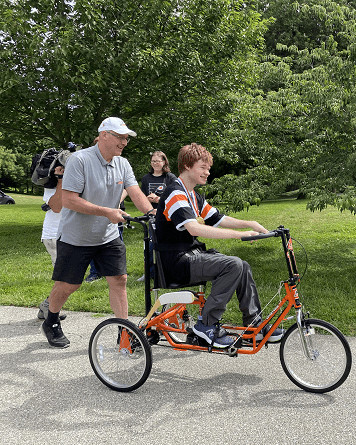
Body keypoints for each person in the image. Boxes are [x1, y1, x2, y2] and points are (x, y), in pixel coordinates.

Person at [155, 143, 284, 348]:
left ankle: (253, 324)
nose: (208, 172)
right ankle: (206, 325)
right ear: (188, 166)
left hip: (190, 257)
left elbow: (217, 218)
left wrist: (249, 224)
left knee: (242, 265)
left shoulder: (193, 195)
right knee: (233, 265)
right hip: (176, 263)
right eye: (203, 167)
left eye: (208, 168)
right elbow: (194, 229)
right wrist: (239, 235)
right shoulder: (175, 193)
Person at [41, 117, 155, 348]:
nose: (124, 142)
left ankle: (124, 332)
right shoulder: (80, 160)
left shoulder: (122, 163)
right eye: (120, 137)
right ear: (104, 135)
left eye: (126, 138)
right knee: (69, 285)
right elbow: (69, 201)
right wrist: (106, 212)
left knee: (119, 279)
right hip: (76, 238)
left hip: (108, 236)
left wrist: (153, 214)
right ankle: (51, 319)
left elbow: (134, 192)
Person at [137, 151, 176, 281]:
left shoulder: (170, 178)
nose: (155, 164)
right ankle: (149, 273)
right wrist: (147, 199)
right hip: (151, 216)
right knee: (149, 246)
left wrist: (158, 199)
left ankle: (167, 271)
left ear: (164, 162)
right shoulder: (146, 178)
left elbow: (176, 197)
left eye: (158, 161)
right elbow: (140, 197)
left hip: (167, 217)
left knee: (166, 245)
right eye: (153, 161)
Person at [37, 165, 67, 321]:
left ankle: (48, 305)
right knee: (64, 277)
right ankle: (49, 308)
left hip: (69, 235)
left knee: (66, 277)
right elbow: (56, 207)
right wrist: (60, 179)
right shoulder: (51, 182)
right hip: (54, 235)